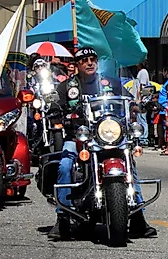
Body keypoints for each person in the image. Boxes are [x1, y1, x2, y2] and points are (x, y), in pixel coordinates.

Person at [49, 46, 156, 240]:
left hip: (107, 134)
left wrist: (139, 106)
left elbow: (129, 101)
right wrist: (55, 110)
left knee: (129, 164)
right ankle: (62, 216)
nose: (89, 63)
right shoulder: (68, 86)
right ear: (77, 65)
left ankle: (138, 216)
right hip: (79, 137)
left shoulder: (110, 83)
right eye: (84, 60)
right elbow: (54, 105)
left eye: (92, 59)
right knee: (65, 165)